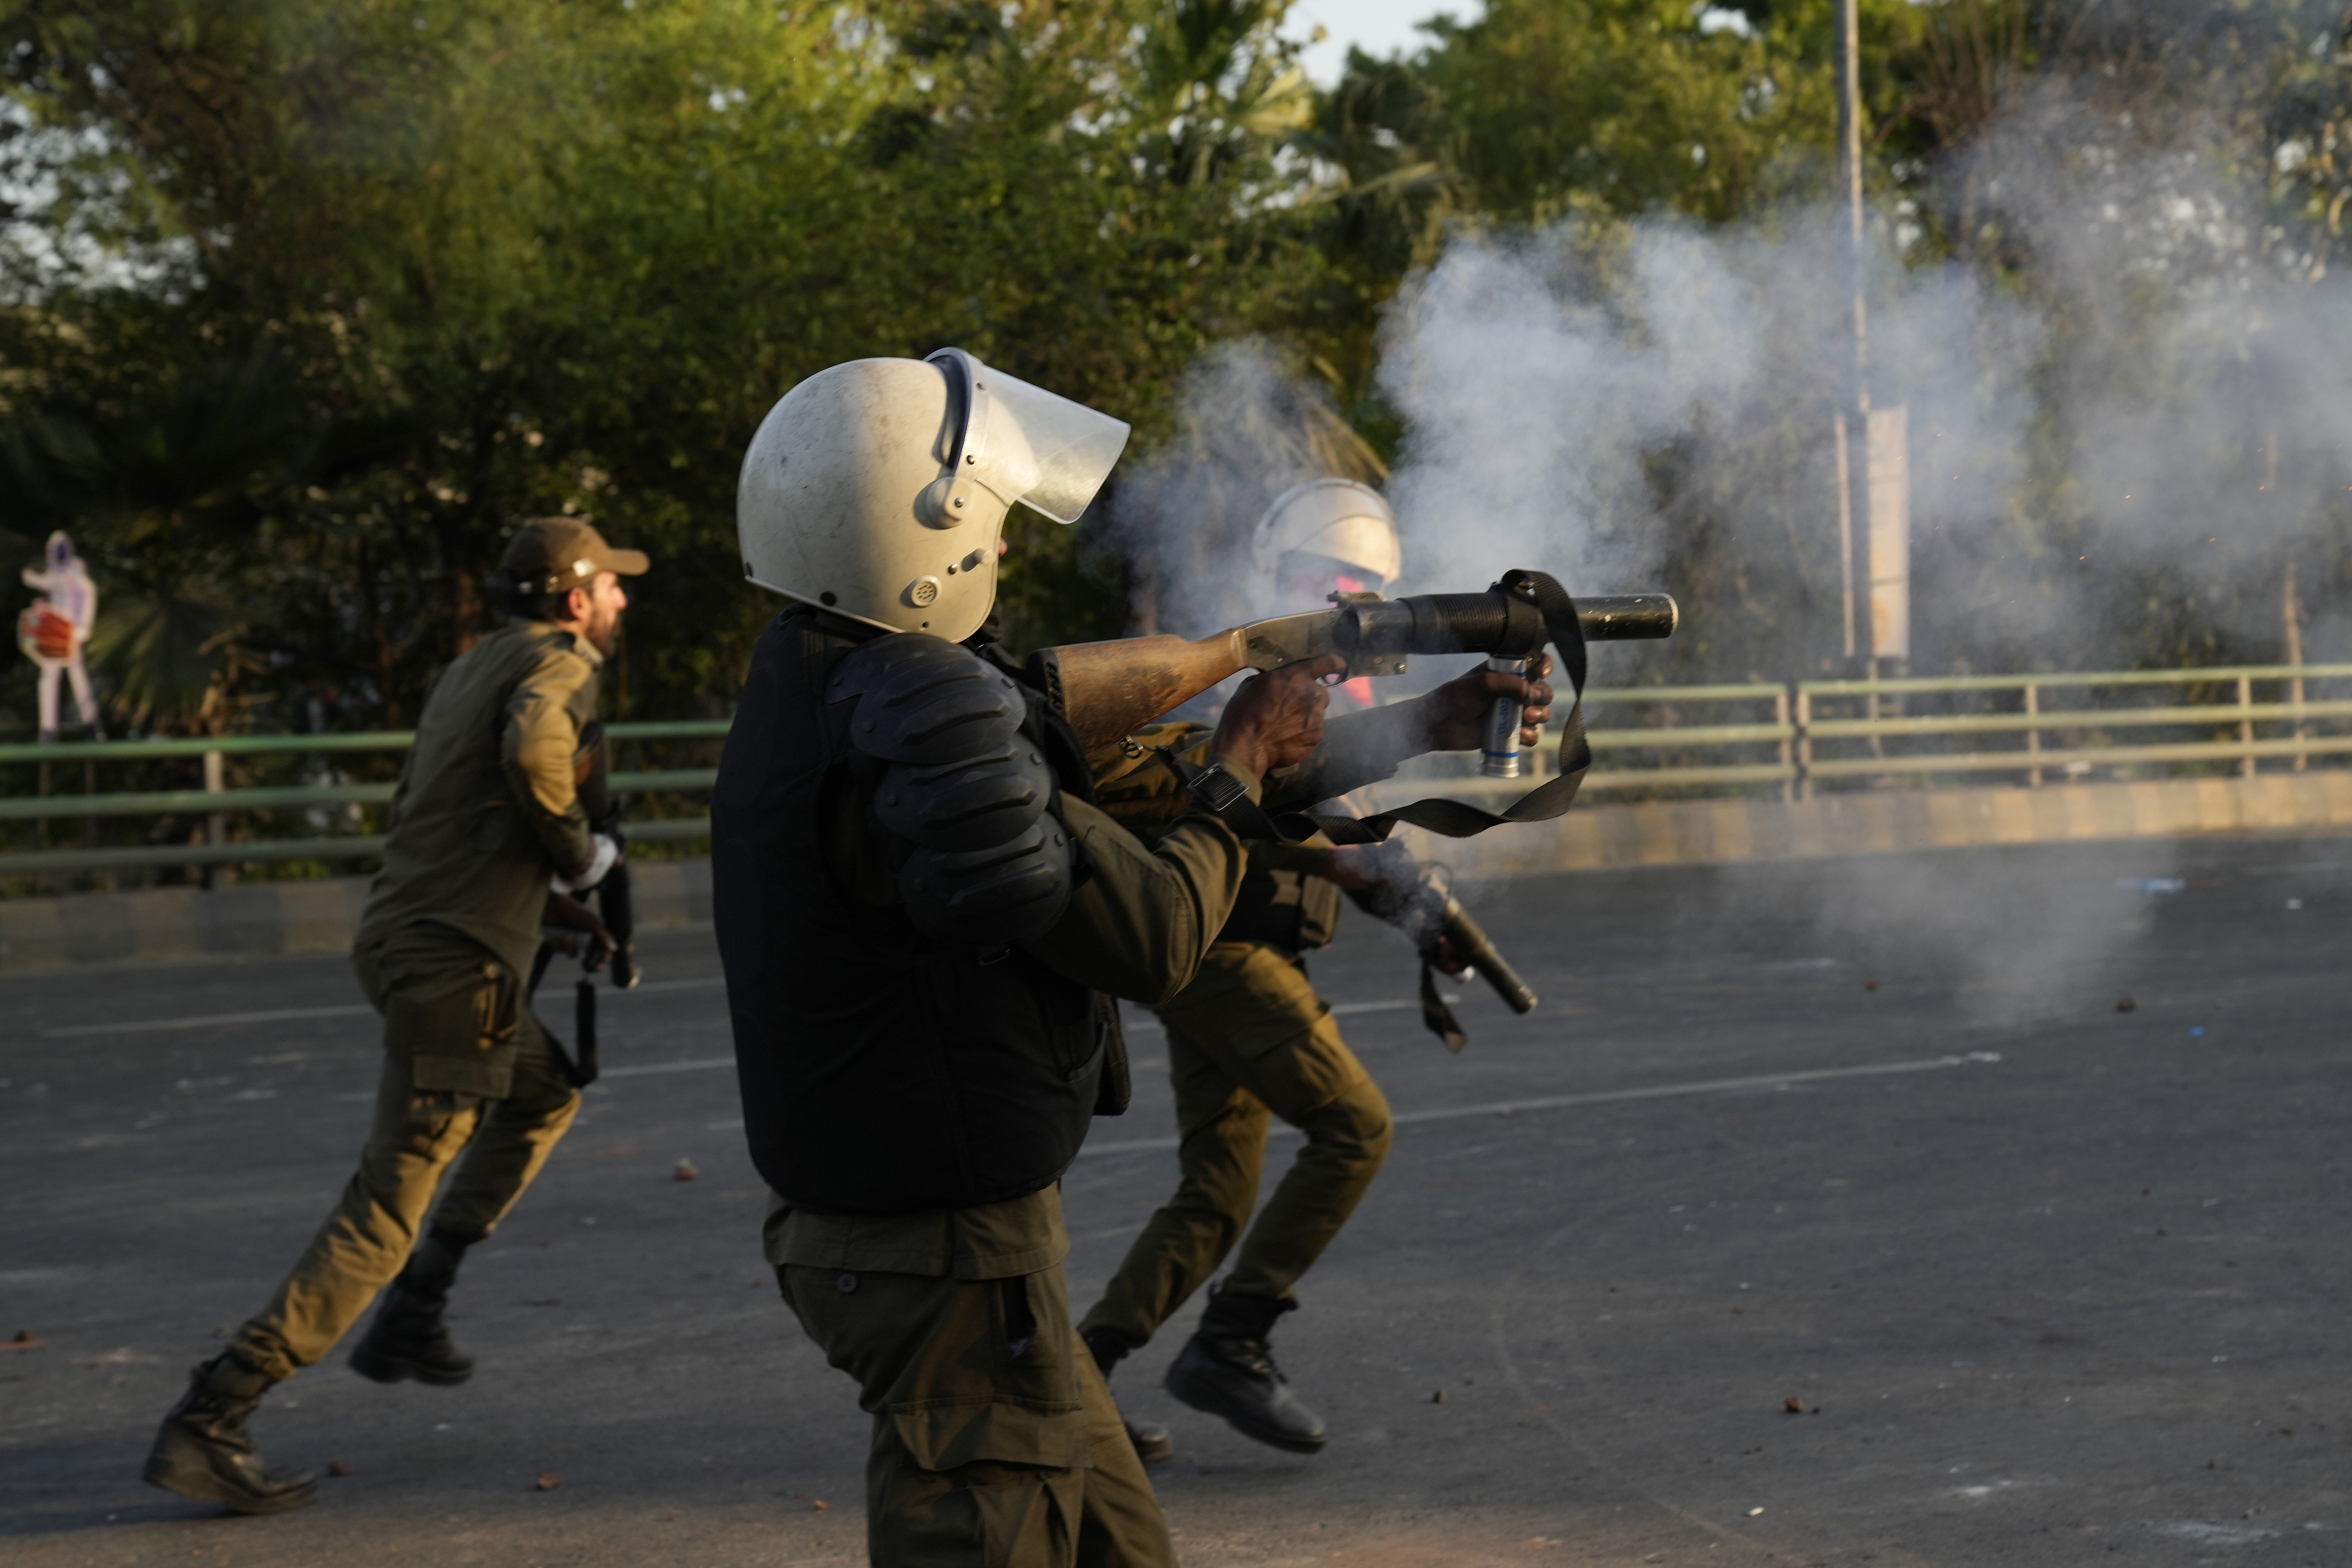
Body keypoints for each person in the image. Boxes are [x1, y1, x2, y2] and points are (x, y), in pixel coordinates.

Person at [715, 350, 1548, 1566]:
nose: (1001, 551)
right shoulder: (927, 725)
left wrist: (1414, 719)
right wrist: (1242, 765)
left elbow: (1081, 735)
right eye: (990, 524)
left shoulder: (840, 680)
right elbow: (1157, 933)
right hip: (937, 1261)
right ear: (923, 535)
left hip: (940, 1245)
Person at [142, 517, 649, 1515]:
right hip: (455, 971)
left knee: (542, 1091)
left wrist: (548, 909)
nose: (625, 601)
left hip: (415, 940)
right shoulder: (560, 667)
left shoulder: (472, 664)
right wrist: (580, 855)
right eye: (614, 587)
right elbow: (539, 754)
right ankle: (216, 1410)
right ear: (575, 595)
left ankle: (419, 1304)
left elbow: (449, 816)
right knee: (385, 1205)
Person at [1073, 480, 1553, 1462]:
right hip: (1220, 945)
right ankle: (1233, 1337)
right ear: (1281, 576)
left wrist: (1409, 900)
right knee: (1354, 1125)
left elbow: (1334, 820)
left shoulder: (1321, 677)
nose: (1338, 595)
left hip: (1230, 945)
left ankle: (1072, 1387)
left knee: (1216, 1193)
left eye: (1356, 584)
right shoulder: (1228, 675)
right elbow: (1220, 803)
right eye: (1321, 578)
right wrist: (1357, 864)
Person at [19, 530, 101, 741]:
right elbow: (45, 583)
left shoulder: (76, 572)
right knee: (49, 678)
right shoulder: (54, 574)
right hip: (55, 635)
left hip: (72, 634)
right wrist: (30, 578)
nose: (60, 553)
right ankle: (48, 729)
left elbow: (89, 593)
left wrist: (84, 627)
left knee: (78, 678)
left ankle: (91, 725)